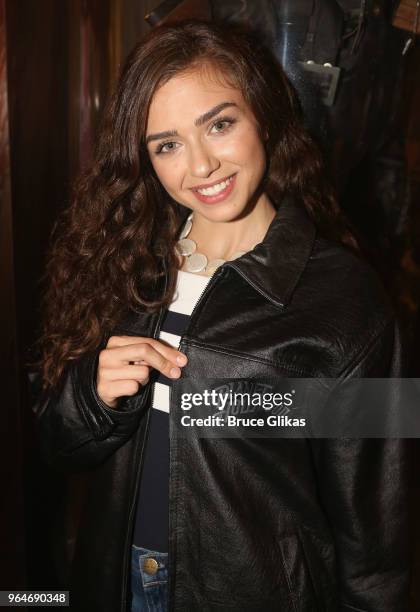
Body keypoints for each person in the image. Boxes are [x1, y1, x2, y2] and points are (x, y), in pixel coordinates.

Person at [31, 19, 409, 612]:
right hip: (115, 580)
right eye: (168, 144)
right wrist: (93, 397)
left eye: (220, 124)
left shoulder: (348, 299)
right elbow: (56, 446)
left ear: (263, 115)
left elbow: (380, 535)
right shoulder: (129, 264)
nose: (201, 165)